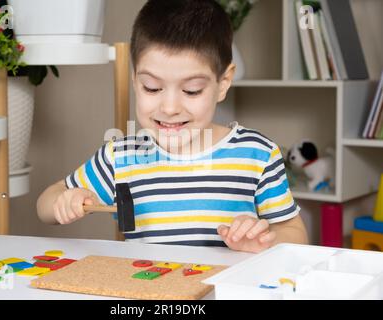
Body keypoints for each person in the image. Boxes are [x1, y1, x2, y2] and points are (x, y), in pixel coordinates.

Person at [37, 0, 308, 253]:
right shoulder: (121, 157)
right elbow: (46, 202)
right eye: (152, 87)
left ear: (223, 83)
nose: (169, 108)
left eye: (191, 91)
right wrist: (65, 200)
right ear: (135, 80)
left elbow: (295, 232)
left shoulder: (256, 154)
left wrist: (264, 241)